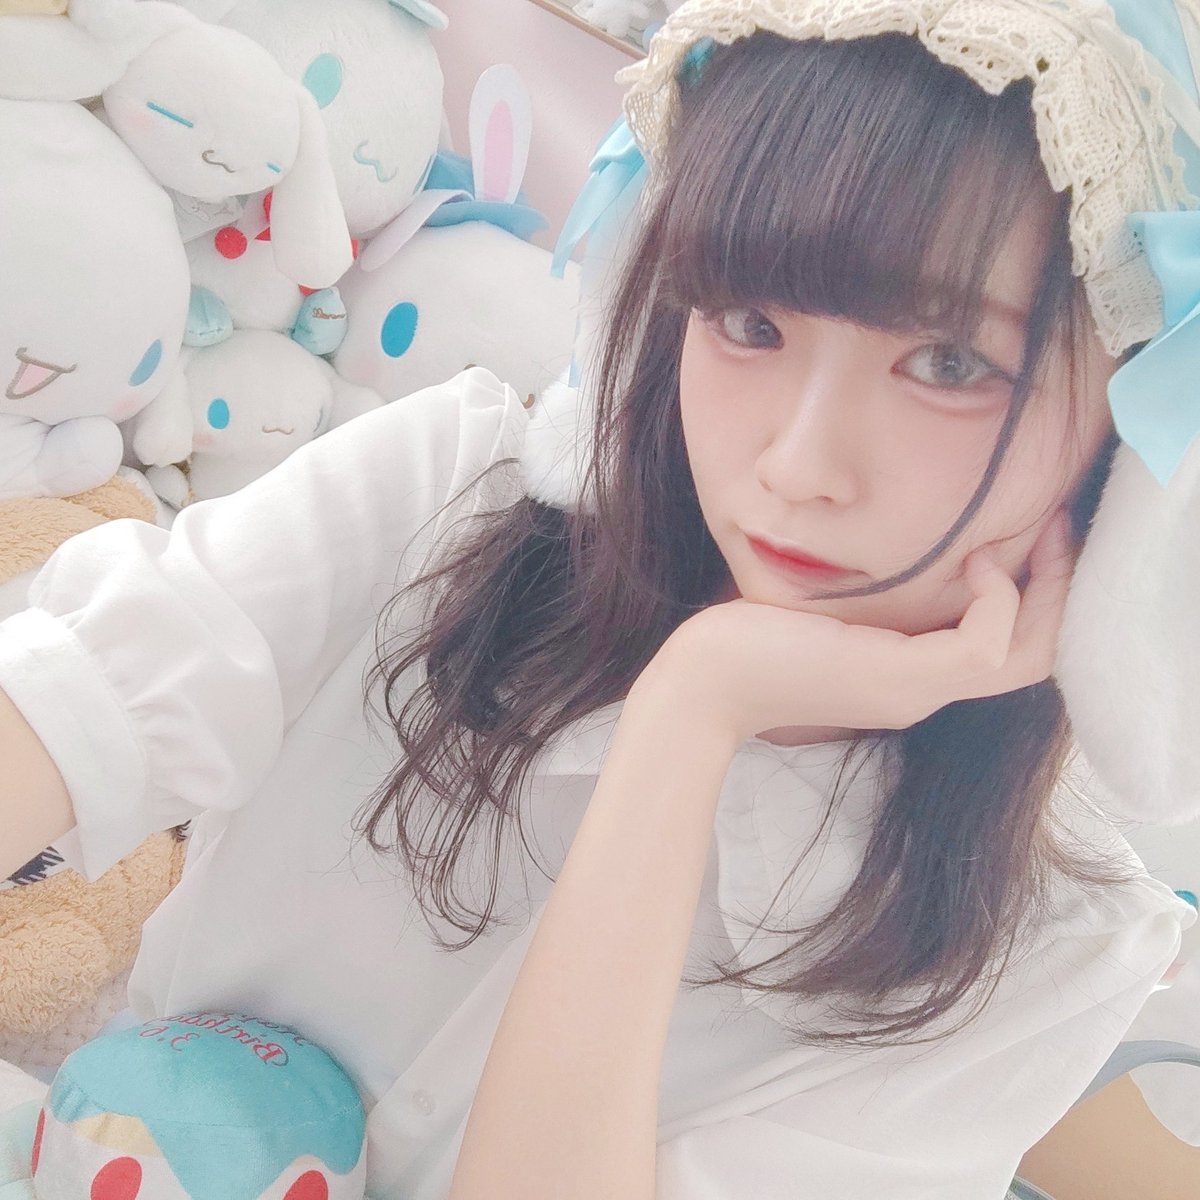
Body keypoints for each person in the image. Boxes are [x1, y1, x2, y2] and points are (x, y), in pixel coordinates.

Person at [2, 2, 1199, 1197]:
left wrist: (690, 717)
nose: (796, 465)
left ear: (1133, 434)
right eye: (749, 321)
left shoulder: (1053, 952)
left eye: (948, 363)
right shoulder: (442, 494)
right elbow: (61, 703)